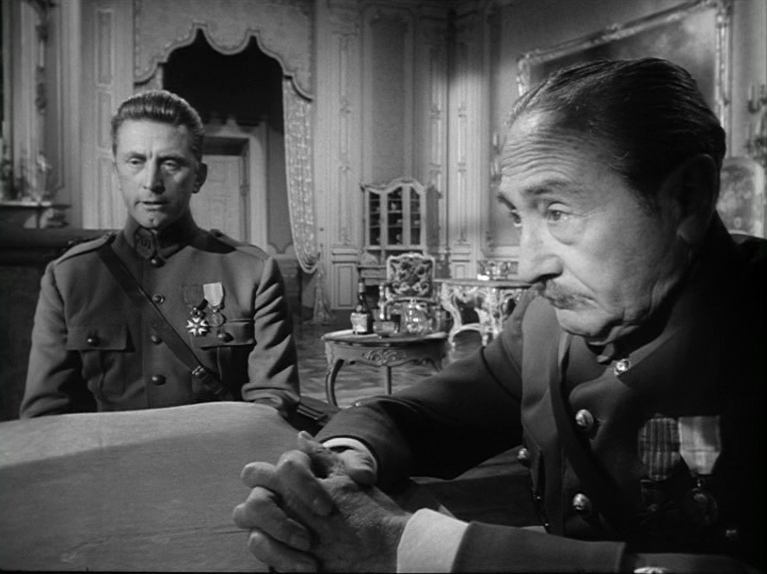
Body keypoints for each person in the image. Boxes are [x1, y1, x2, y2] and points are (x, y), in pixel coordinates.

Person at [232, 58, 766, 572]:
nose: (529, 266)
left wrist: (420, 549)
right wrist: (343, 456)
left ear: (686, 198)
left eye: (557, 211)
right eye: (517, 216)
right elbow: (422, 414)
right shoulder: (544, 320)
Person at [21, 90, 300, 418]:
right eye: (136, 161)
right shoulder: (69, 277)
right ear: (116, 173)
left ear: (198, 177)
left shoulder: (251, 273)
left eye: (171, 163)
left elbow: (272, 403)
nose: (152, 182)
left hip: (219, 449)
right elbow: (46, 414)